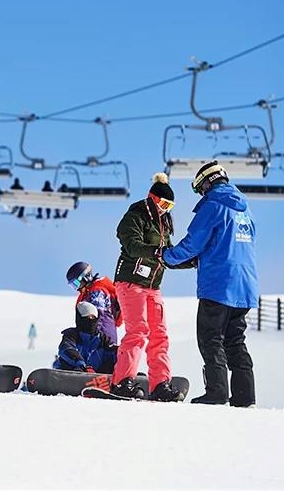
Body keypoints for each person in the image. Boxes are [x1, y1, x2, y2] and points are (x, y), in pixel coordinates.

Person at [163, 161, 258, 407]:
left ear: (207, 181)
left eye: (199, 188)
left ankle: (216, 392)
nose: (201, 193)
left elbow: (194, 242)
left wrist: (166, 256)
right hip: (245, 285)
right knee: (235, 341)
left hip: (218, 284)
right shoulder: (245, 210)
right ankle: (245, 397)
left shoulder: (213, 205)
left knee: (210, 338)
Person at [110, 172, 189, 402]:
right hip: (130, 282)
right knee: (138, 331)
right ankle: (121, 381)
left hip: (153, 287)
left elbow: (169, 256)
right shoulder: (136, 215)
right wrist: (155, 252)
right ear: (153, 198)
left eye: (170, 205)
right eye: (163, 203)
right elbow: (133, 245)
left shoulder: (163, 223)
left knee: (159, 336)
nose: (166, 208)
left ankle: (160, 384)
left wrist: (190, 261)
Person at [53, 302, 118, 374]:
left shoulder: (103, 339)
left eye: (93, 317)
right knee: (66, 359)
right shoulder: (72, 335)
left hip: (97, 376)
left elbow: (116, 352)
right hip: (71, 373)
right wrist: (81, 364)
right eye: (87, 317)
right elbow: (66, 348)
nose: (90, 320)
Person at [66, 261, 122, 344]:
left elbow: (100, 317)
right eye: (73, 286)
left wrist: (95, 338)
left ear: (85, 277)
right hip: (104, 338)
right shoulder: (89, 293)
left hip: (102, 339)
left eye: (76, 283)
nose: (77, 288)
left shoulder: (97, 292)